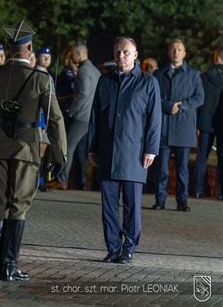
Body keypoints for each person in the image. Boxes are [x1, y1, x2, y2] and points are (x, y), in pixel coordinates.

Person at [0, 20, 67, 281]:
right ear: (29, 47)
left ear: (9, 47)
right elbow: (55, 120)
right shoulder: (41, 79)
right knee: (19, 206)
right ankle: (9, 265)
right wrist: (59, 154)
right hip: (26, 150)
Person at [88, 37, 161, 264]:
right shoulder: (105, 81)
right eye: (118, 51)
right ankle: (112, 247)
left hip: (135, 153)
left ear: (136, 54)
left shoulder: (148, 83)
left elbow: (154, 119)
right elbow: (95, 118)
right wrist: (92, 148)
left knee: (131, 205)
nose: (121, 56)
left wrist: (151, 149)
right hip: (108, 152)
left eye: (126, 52)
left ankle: (128, 248)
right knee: (108, 206)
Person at [153, 39, 204, 211]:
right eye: (173, 49)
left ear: (184, 53)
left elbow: (199, 97)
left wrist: (181, 107)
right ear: (168, 52)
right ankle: (160, 200)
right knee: (162, 168)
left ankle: (182, 201)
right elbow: (152, 97)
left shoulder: (194, 75)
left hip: (184, 127)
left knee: (182, 169)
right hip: (164, 128)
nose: (176, 52)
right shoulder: (159, 74)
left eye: (179, 49)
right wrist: (168, 106)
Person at [49, 43, 100, 190]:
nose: (71, 57)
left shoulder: (83, 71)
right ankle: (79, 182)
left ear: (79, 54)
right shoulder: (95, 71)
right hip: (90, 116)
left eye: (72, 54)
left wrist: (71, 111)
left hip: (81, 116)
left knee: (67, 147)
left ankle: (62, 180)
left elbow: (82, 94)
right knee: (80, 151)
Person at [195, 48, 223, 198]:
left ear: (215, 58)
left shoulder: (204, 77)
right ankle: (221, 192)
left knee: (202, 156)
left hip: (204, 122)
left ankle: (199, 190)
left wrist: (197, 124)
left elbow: (199, 101)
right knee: (222, 157)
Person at [34, 47, 53, 192]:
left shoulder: (49, 75)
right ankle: (33, 179)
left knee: (43, 150)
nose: (46, 60)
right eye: (43, 57)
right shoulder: (35, 74)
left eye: (49, 57)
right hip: (37, 118)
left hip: (47, 119)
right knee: (36, 149)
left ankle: (40, 179)